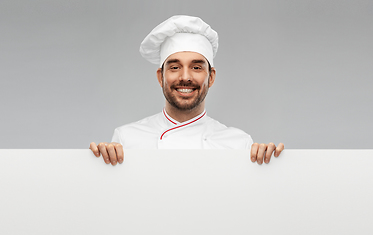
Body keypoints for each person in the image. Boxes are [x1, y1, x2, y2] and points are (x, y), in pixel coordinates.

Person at [90, 15, 284, 166]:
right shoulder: (127, 138)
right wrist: (97, 164)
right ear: (160, 76)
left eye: (196, 67)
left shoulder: (239, 143)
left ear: (211, 77)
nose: (185, 77)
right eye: (174, 67)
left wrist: (270, 166)